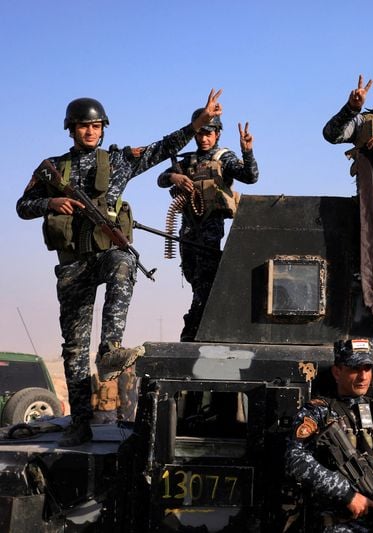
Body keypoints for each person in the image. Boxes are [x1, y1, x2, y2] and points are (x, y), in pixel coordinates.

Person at [16, 89, 223, 446]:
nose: (90, 132)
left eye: (96, 126)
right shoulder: (52, 167)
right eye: (84, 126)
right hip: (73, 266)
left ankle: (110, 348)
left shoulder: (118, 162)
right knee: (74, 349)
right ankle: (80, 423)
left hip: (106, 255)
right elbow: (23, 205)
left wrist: (196, 125)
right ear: (71, 129)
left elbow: (162, 148)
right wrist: (51, 201)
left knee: (124, 261)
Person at [285, 339, 373, 532]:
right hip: (339, 523)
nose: (363, 376)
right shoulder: (318, 412)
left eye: (367, 369)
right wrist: (347, 495)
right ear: (337, 372)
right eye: (355, 369)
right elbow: (295, 460)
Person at [157, 113, 259, 341]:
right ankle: (200, 321)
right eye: (200, 133)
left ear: (217, 134)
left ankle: (196, 327)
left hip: (210, 223)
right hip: (189, 225)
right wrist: (174, 177)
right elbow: (161, 179)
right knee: (192, 273)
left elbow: (250, 177)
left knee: (206, 277)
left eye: (208, 133)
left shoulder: (224, 158)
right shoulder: (188, 160)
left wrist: (247, 151)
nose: (204, 138)